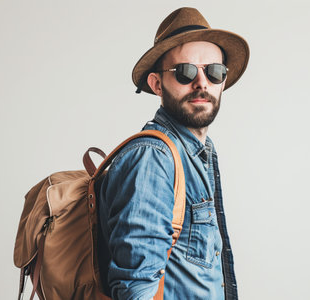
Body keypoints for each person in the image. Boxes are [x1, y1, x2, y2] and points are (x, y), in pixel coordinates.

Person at [97, 7, 249, 300]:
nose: (202, 83)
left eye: (214, 72)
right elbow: (134, 290)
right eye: (185, 71)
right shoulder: (153, 158)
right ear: (157, 84)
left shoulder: (199, 154)